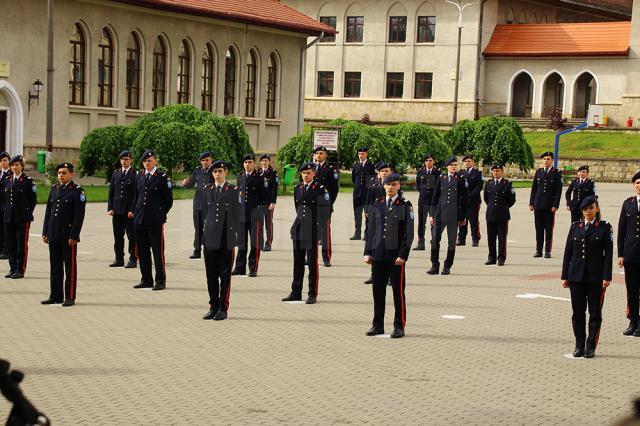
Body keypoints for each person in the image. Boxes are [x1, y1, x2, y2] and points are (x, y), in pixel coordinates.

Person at [561, 195, 612, 358]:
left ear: (596, 208)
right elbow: (568, 252)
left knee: (595, 313)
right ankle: (579, 344)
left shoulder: (604, 228)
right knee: (577, 313)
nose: (588, 211)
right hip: (576, 276)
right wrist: (565, 275)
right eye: (585, 209)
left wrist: (607, 277)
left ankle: (590, 345)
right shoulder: (575, 227)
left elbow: (608, 255)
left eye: (591, 208)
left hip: (595, 278)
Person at [364, 173, 414, 339]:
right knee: (377, 292)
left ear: (399, 186)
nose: (391, 187)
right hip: (378, 254)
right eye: (388, 184)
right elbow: (371, 230)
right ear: (383, 186)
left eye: (394, 184)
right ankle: (377, 325)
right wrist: (368, 252)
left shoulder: (405, 205)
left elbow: (408, 233)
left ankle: (399, 326)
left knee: (398, 293)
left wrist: (403, 255)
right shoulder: (377, 204)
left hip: (395, 257)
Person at [282, 163, 330, 304]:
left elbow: (325, 212)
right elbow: (298, 209)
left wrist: (318, 228)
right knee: (298, 263)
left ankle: (312, 293)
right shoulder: (298, 188)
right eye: (303, 173)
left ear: (314, 173)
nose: (306, 175)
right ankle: (296, 292)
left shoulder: (320, 190)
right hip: (298, 229)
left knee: (312, 264)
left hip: (312, 229)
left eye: (308, 173)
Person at [41, 163, 86, 307]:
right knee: (55, 266)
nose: (61, 175)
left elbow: (79, 216)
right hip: (54, 234)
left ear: (71, 174)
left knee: (69, 267)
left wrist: (74, 235)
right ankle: (55, 295)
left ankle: (70, 296)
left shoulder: (77, 191)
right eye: (59, 173)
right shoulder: (54, 189)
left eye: (64, 173)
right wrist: (45, 231)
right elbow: (48, 212)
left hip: (68, 236)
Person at [202, 160, 241, 321]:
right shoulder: (207, 190)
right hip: (210, 237)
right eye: (215, 172)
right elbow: (204, 213)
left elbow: (237, 215)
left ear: (226, 172)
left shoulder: (233, 191)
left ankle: (223, 308)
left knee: (225, 274)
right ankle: (213, 305)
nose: (217, 174)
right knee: (211, 274)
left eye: (220, 171)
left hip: (226, 238)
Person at [129, 150, 173, 290]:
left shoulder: (162, 177)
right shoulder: (139, 176)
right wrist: (135, 212)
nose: (147, 163)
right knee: (142, 251)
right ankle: (146, 279)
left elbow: (168, 201)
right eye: (144, 161)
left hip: (155, 220)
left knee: (157, 251)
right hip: (140, 219)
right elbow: (136, 197)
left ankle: (160, 281)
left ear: (155, 161)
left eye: (149, 161)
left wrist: (160, 214)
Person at [428, 156, 467, 275]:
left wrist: (463, 217)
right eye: (451, 165)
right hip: (439, 214)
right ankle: (434, 265)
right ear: (447, 167)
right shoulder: (441, 178)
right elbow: (435, 197)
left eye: (455, 165)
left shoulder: (460, 179)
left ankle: (447, 266)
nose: (454, 167)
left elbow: (465, 199)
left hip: (453, 215)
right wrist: (431, 214)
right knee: (435, 240)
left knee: (451, 242)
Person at [233, 154, 269, 277]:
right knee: (241, 242)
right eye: (245, 163)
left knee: (255, 243)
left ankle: (253, 268)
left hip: (255, 215)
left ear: (254, 164)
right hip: (242, 214)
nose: (247, 165)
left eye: (250, 162)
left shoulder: (260, 177)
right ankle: (239, 267)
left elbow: (265, 198)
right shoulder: (240, 177)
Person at [4, 155, 36, 279]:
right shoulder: (8, 179)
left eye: (17, 165)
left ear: (22, 166)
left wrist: (26, 213)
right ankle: (12, 268)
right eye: (12, 165)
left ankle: (20, 269)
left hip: (22, 217)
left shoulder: (28, 181)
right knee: (10, 243)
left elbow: (32, 200)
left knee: (21, 244)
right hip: (9, 216)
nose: (14, 167)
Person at [617, 171, 640, 337]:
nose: (639, 186)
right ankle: (633, 321)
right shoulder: (628, 204)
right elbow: (621, 231)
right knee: (631, 290)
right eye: (637, 183)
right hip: (630, 254)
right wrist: (620, 254)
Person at [364, 162, 393, 284]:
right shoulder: (373, 184)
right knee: (374, 246)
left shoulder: (393, 184)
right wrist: (367, 212)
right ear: (379, 173)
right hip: (375, 218)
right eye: (382, 171)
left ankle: (391, 276)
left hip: (389, 220)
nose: (384, 173)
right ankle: (374, 274)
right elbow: (368, 199)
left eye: (386, 171)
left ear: (390, 172)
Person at [529, 151, 563, 258]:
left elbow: (558, 191)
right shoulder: (539, 172)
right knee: (538, 229)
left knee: (548, 229)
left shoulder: (557, 173)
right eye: (544, 159)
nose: (546, 161)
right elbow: (534, 189)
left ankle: (547, 250)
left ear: (552, 160)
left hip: (549, 206)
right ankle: (538, 250)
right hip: (538, 205)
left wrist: (555, 205)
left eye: (548, 159)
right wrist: (531, 202)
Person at [107, 150, 137, 268]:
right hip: (117, 210)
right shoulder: (116, 173)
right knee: (118, 237)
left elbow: (136, 194)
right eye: (122, 159)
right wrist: (110, 208)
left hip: (129, 212)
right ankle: (119, 258)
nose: (124, 162)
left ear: (131, 160)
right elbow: (111, 192)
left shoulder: (135, 174)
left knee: (132, 236)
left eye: (126, 159)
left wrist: (132, 210)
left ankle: (133, 259)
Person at [182, 151, 213, 259]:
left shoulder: (214, 171)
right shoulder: (197, 171)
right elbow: (190, 184)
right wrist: (186, 183)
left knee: (209, 227)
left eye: (207, 160)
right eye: (203, 161)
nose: (204, 162)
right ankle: (197, 250)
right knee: (198, 228)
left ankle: (209, 249)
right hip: (198, 204)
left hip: (210, 204)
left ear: (211, 160)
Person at [483, 163, 516, 266]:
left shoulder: (507, 184)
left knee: (502, 238)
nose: (495, 173)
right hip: (491, 214)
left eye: (497, 171)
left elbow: (512, 199)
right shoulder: (489, 183)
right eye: (494, 171)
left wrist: (504, 207)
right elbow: (486, 198)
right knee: (491, 238)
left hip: (502, 215)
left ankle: (501, 258)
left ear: (502, 171)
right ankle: (491, 257)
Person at [313, 146, 339, 267]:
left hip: (324, 205)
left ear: (325, 155)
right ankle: (311, 257)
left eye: (321, 153)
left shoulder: (330, 169)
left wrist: (329, 203)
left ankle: (326, 258)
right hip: (311, 205)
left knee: (325, 232)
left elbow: (334, 189)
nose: (318, 155)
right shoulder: (310, 168)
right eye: (317, 153)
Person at [414, 153, 440, 251]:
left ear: (434, 161)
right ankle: (421, 243)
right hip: (423, 201)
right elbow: (418, 185)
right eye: (426, 161)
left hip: (434, 201)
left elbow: (438, 187)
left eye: (430, 160)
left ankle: (434, 241)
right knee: (421, 222)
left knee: (434, 222)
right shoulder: (421, 171)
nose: (428, 162)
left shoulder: (437, 172)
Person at [457, 154, 484, 247]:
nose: (467, 163)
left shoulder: (477, 173)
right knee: (462, 219)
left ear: (473, 162)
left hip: (474, 200)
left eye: (469, 161)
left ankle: (475, 239)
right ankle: (461, 239)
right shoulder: (460, 173)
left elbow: (479, 186)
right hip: (462, 201)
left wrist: (470, 195)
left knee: (473, 220)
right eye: (465, 161)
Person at [350, 147, 376, 240]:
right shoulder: (355, 165)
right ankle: (357, 234)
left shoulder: (371, 165)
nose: (361, 155)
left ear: (366, 154)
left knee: (367, 214)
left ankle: (367, 234)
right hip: (357, 194)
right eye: (360, 154)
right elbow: (353, 179)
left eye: (363, 154)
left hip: (367, 194)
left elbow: (373, 179)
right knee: (357, 214)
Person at [259, 154, 278, 251]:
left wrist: (273, 202)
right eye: (262, 161)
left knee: (268, 224)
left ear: (269, 162)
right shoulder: (258, 172)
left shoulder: (273, 173)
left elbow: (275, 189)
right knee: (259, 224)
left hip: (268, 203)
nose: (264, 162)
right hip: (259, 203)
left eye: (266, 160)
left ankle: (268, 243)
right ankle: (261, 242)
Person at [0, 152, 12, 260]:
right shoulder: (0, 173)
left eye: (4, 160)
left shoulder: (11, 175)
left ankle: (6, 250)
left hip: (6, 206)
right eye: (1, 161)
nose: (2, 163)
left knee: (6, 230)